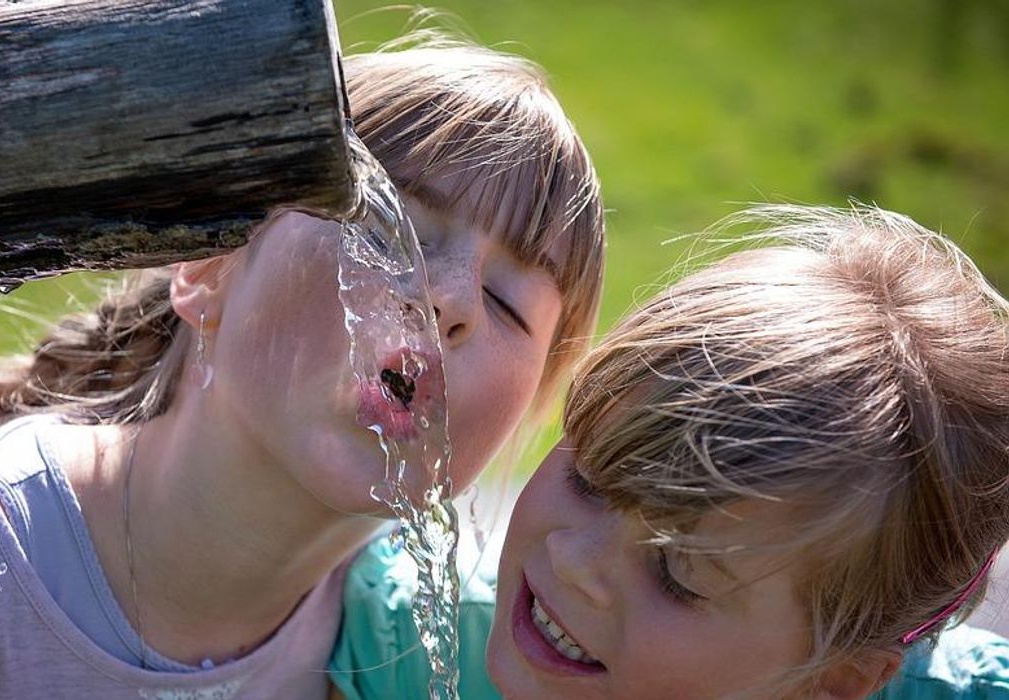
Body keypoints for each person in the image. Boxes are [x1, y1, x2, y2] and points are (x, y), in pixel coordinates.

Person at [0, 37, 604, 698]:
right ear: (206, 269)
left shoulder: (439, 651)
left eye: (505, 304)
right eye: (389, 231)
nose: (447, 298)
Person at [331, 204, 1009, 699]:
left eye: (675, 574)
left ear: (834, 678)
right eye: (589, 480)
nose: (572, 560)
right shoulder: (395, 649)